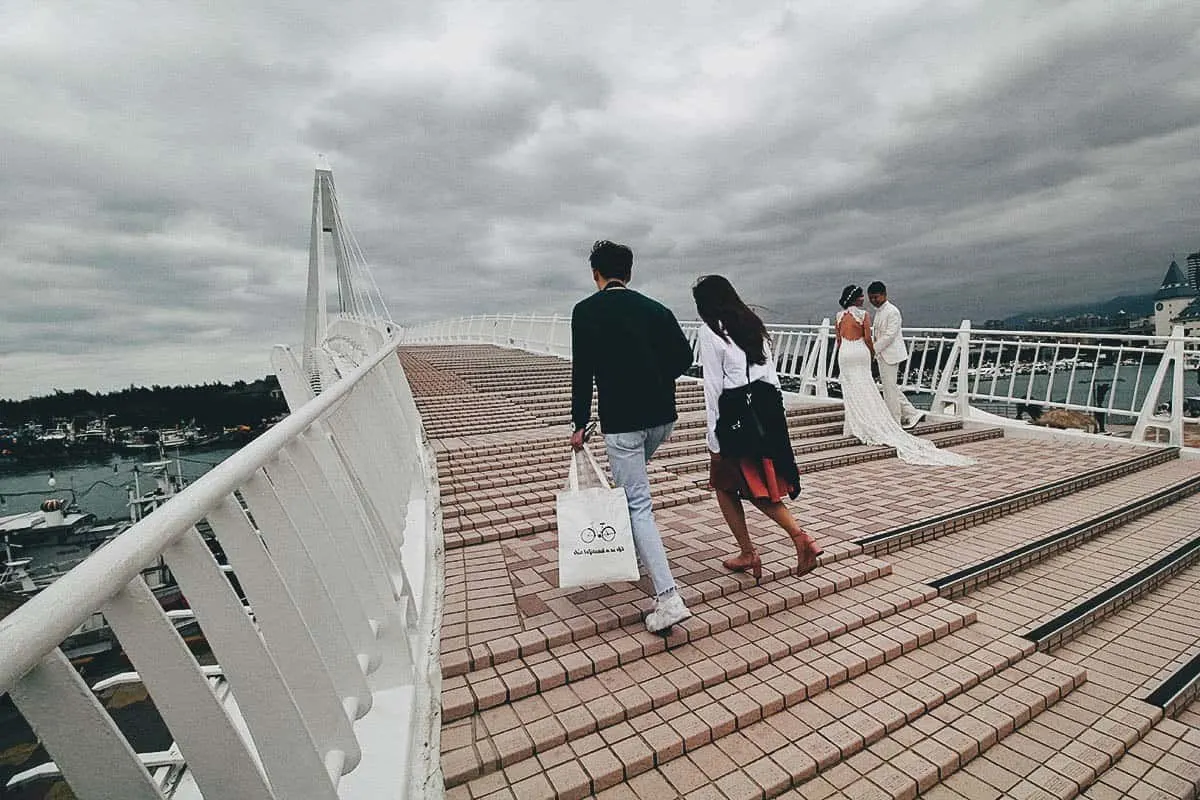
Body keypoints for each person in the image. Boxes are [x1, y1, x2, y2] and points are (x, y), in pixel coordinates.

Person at [570, 240, 696, 632]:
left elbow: (583, 373)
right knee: (633, 493)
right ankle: (643, 547)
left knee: (637, 503)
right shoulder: (656, 309)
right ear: (629, 272)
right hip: (662, 418)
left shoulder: (585, 312)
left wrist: (578, 423)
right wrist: (653, 377)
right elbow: (683, 359)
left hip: (622, 422)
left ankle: (668, 597)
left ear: (596, 274)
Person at [693, 276, 822, 578]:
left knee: (734, 485)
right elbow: (772, 378)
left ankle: (792, 540)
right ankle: (755, 549)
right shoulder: (753, 325)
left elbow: (713, 387)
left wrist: (713, 439)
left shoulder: (710, 330)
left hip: (735, 413)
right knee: (747, 483)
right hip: (764, 409)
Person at [836, 285, 976, 466]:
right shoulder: (865, 315)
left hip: (853, 354)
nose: (868, 300)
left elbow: (842, 340)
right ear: (855, 298)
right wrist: (869, 352)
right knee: (878, 388)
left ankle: (869, 422)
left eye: (873, 297)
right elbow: (869, 338)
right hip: (862, 353)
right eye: (865, 296)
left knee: (864, 389)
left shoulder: (843, 316)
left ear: (884, 295)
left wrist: (864, 352)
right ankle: (902, 416)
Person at [867, 281, 924, 429]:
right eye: (871, 298)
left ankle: (895, 420)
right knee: (890, 388)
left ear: (884, 295)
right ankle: (911, 413)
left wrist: (873, 349)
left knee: (889, 389)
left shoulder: (892, 311)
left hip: (891, 355)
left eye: (876, 297)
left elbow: (889, 335)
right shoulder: (880, 312)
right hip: (883, 355)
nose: (873, 300)